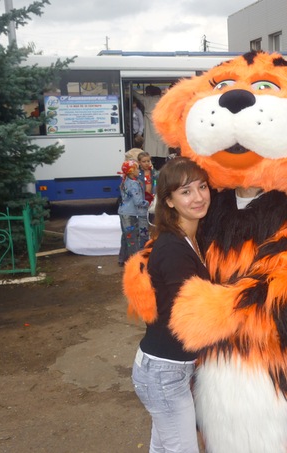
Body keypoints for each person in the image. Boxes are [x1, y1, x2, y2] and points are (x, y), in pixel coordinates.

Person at [130, 157, 211, 452]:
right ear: (169, 201)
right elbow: (190, 313)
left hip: (166, 368)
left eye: (202, 187)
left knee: (164, 447)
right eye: (186, 191)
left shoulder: (189, 238)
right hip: (165, 373)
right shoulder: (174, 248)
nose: (198, 197)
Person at [118, 160, 149, 259]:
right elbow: (138, 201)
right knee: (132, 238)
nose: (139, 170)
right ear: (131, 171)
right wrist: (148, 203)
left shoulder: (125, 181)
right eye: (137, 169)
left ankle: (123, 258)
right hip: (130, 214)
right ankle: (134, 260)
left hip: (123, 212)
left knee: (126, 236)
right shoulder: (134, 184)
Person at [134, 86, 169, 170]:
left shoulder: (147, 100)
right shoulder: (164, 100)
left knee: (150, 154)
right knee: (161, 155)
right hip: (161, 129)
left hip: (150, 130)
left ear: (149, 92)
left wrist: (129, 87)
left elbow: (137, 95)